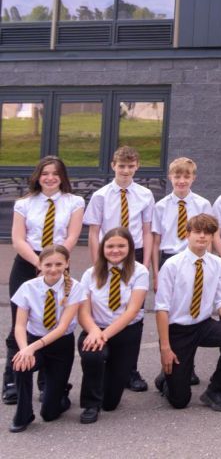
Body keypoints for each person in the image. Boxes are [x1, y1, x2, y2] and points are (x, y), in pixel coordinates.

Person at [4, 156, 85, 405]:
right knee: (21, 323)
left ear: (63, 177)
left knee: (54, 320)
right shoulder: (24, 203)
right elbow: (18, 239)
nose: (50, 178)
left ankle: (48, 381)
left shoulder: (75, 202)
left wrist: (54, 263)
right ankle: (13, 380)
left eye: (55, 173)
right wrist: (40, 264)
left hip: (58, 263)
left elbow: (72, 236)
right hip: (28, 264)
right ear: (37, 176)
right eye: (45, 173)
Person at [82, 145, 155, 393]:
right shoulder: (101, 196)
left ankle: (130, 369)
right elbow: (94, 232)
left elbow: (146, 230)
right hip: (108, 253)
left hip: (134, 255)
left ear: (137, 167)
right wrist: (96, 264)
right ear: (113, 166)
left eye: (130, 166)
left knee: (134, 312)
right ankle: (104, 356)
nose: (125, 170)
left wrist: (144, 265)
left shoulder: (145, 194)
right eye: (121, 166)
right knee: (104, 305)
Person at [153, 213, 221, 411]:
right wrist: (165, 348)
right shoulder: (172, 265)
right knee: (179, 401)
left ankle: (215, 390)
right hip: (177, 329)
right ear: (187, 235)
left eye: (207, 233)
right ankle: (167, 380)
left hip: (203, 324)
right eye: (197, 232)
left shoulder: (216, 263)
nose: (202, 236)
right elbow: (161, 309)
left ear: (212, 237)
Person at [8, 244, 86, 432]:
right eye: (48, 264)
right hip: (34, 340)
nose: (53, 269)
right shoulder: (28, 287)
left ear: (67, 264)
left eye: (59, 264)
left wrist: (31, 348)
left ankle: (61, 394)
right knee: (20, 364)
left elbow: (62, 328)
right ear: (40, 265)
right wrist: (25, 348)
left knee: (50, 414)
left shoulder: (75, 287)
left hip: (60, 345)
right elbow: (19, 325)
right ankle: (24, 412)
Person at [76, 227, 150, 424]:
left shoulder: (140, 271)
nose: (115, 250)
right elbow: (83, 312)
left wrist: (104, 335)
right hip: (95, 328)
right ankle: (90, 404)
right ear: (102, 248)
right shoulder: (90, 274)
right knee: (93, 355)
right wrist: (94, 331)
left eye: (121, 246)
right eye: (110, 246)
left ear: (130, 247)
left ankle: (106, 383)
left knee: (110, 403)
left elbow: (132, 310)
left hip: (126, 332)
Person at [149, 157, 213, 277]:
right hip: (168, 258)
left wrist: (207, 265)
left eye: (186, 177)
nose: (182, 181)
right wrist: (156, 275)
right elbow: (156, 242)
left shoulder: (203, 205)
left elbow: (208, 239)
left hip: (195, 257)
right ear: (170, 177)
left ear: (193, 178)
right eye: (177, 177)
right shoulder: (160, 207)